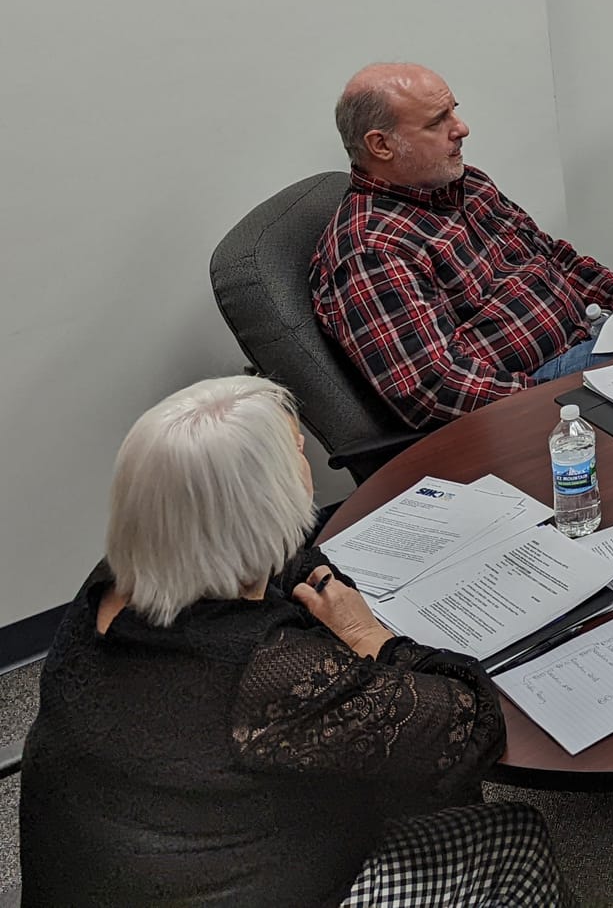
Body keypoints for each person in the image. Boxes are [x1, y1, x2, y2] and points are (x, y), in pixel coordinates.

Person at [19, 376, 568, 907]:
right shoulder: (264, 672)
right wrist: (364, 633)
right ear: (265, 508)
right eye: (295, 452)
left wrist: (318, 578)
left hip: (116, 867)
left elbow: (294, 559)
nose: (305, 460)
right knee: (515, 837)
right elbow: (470, 723)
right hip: (246, 884)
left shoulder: (123, 578)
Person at [313, 62, 613, 430]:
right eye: (436, 122)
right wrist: (557, 397)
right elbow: (435, 390)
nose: (461, 129)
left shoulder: (465, 185)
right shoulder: (372, 248)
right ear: (381, 145)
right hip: (537, 388)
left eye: (453, 112)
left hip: (587, 338)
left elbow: (554, 257)